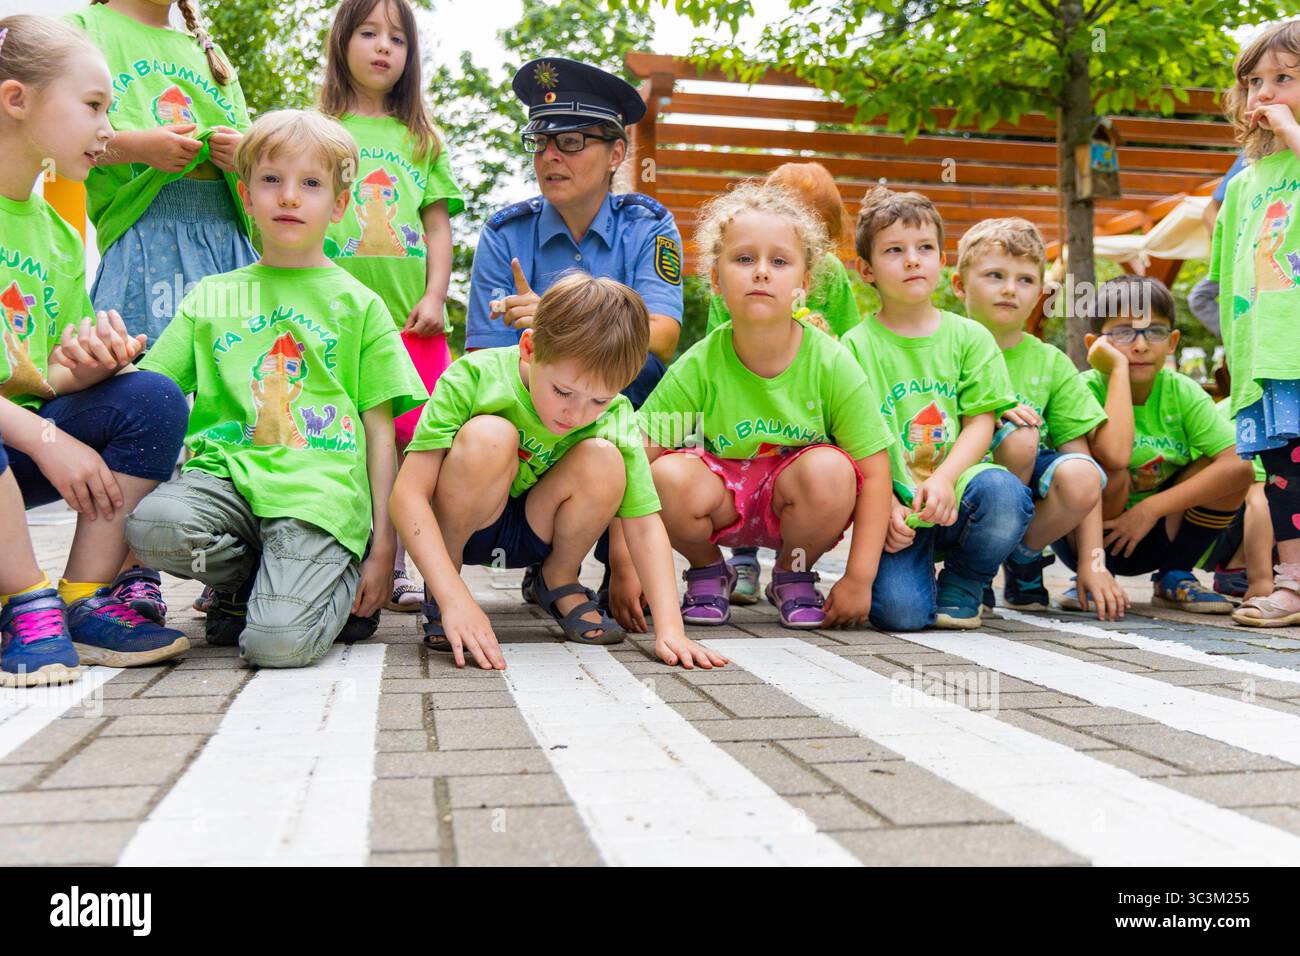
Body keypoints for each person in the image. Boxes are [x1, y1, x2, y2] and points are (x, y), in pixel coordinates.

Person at [124, 109, 427, 668]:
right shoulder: (214, 295)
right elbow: (151, 391)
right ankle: (245, 582)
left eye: (310, 184)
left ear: (338, 206)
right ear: (245, 194)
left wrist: (383, 548)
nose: (289, 196)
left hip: (320, 496)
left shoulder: (360, 304)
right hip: (228, 481)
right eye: (271, 180)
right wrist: (103, 362)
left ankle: (332, 588)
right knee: (151, 526)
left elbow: (381, 435)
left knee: (276, 646)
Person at [390, 272, 728, 672]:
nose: (576, 413)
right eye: (563, 392)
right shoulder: (473, 377)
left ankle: (559, 579)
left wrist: (671, 629)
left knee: (605, 457)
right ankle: (445, 586)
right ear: (530, 348)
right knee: (490, 435)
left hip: (538, 529)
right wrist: (453, 596)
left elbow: (643, 521)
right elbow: (407, 494)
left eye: (598, 399)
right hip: (468, 526)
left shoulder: (615, 414)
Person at [0, 15, 191, 686]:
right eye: (93, 107)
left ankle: (83, 598)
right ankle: (22, 601)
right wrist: (51, 442)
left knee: (153, 397)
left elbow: (38, 374)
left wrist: (84, 368)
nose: (108, 129)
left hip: (12, 453)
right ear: (17, 99)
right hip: (14, 443)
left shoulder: (54, 228)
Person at [464, 55, 687, 609]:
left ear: (616, 153)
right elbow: (481, 359)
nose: (550, 157)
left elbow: (661, 337)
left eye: (570, 141)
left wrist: (557, 321)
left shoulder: (647, 223)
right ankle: (525, 556)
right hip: (527, 412)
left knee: (645, 376)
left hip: (611, 406)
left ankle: (622, 558)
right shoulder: (504, 233)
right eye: (539, 143)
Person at [626, 183, 892, 631]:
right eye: (744, 259)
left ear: (804, 283)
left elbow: (877, 471)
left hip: (794, 500)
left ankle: (793, 572)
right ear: (715, 278)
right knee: (664, 475)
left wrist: (859, 578)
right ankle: (710, 570)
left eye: (780, 261)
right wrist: (627, 561)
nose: (762, 273)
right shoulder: (700, 363)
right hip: (722, 500)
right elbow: (635, 458)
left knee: (833, 469)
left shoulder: (831, 362)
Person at [318, 0, 465, 614]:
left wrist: (436, 295)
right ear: (342, 42)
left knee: (413, 444)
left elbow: (436, 229)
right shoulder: (317, 130)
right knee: (341, 442)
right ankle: (331, 559)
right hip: (334, 322)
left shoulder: (422, 138)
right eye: (369, 33)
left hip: (411, 324)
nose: (383, 47)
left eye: (398, 39)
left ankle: (403, 564)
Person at [841, 187, 1034, 630]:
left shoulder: (970, 337)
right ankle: (918, 575)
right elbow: (851, 436)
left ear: (942, 261)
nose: (913, 260)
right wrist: (883, 501)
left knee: (1005, 494)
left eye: (925, 248)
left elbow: (981, 420)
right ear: (866, 270)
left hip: (961, 490)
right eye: (895, 250)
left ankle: (967, 578)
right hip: (895, 505)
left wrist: (947, 477)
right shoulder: (854, 346)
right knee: (900, 616)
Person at [704, 161, 864, 607]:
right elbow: (719, 327)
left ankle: (793, 566)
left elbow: (846, 338)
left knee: (803, 472)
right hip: (744, 389)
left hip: (802, 392)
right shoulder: (740, 270)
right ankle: (742, 556)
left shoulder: (829, 273)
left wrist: (820, 334)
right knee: (740, 456)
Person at [953, 217, 1127, 621]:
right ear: (960, 285)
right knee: (1018, 436)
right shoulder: (944, 345)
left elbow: (1082, 460)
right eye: (995, 275)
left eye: (1026, 280)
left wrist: (1093, 562)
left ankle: (1022, 556)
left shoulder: (1051, 361)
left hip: (1027, 489)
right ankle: (973, 567)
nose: (1010, 288)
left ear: (1041, 293)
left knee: (1081, 472)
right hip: (959, 485)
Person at [65, 0, 256, 345]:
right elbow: (58, 139)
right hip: (143, 240)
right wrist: (140, 148)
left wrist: (245, 154)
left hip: (227, 245)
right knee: (146, 378)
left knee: (234, 370)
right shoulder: (80, 28)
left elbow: (259, 158)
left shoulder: (205, 51)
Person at [1068, 275, 1254, 612]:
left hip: (1155, 530)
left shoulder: (1182, 391)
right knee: (1114, 471)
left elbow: (1239, 464)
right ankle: (1095, 574)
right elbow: (1115, 454)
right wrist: (1119, 374)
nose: (1140, 345)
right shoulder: (1083, 389)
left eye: (1154, 331)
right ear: (1096, 344)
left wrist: (1148, 510)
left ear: (1172, 342)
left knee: (1231, 466)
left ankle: (1175, 574)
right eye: (1123, 332)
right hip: (1086, 537)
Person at [1211, 20, 1300, 626]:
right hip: (1264, 352)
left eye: (1285, 79)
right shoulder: (1243, 185)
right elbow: (1228, 279)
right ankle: (1294, 585)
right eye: (1254, 83)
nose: (1264, 94)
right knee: (1284, 470)